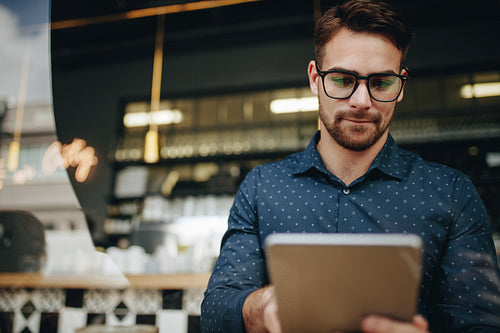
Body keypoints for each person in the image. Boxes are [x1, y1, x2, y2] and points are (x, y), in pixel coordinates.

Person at [201, 0, 500, 332]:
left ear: (401, 85)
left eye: (381, 83)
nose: (361, 101)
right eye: (343, 80)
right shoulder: (262, 187)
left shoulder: (452, 193)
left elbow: (480, 323)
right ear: (316, 79)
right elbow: (217, 311)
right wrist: (264, 306)